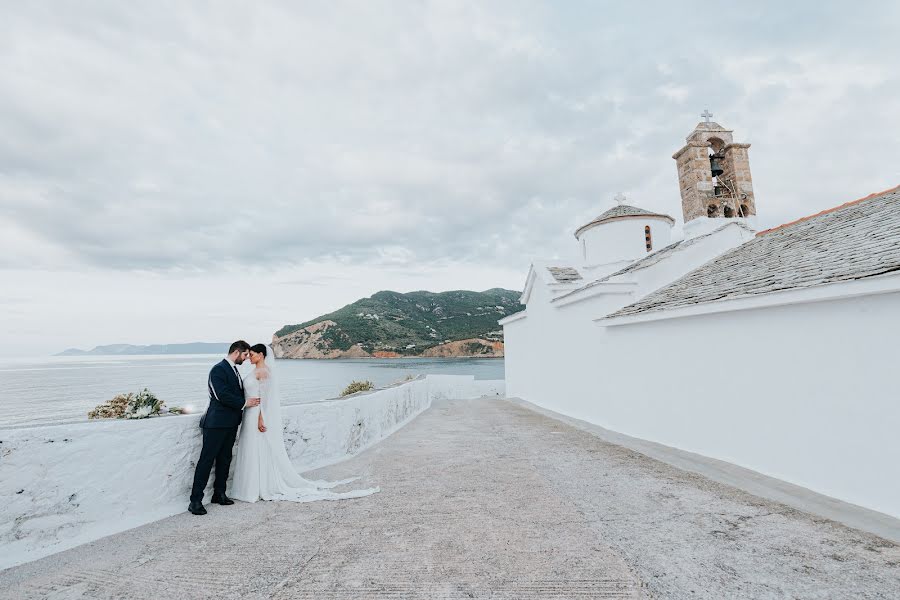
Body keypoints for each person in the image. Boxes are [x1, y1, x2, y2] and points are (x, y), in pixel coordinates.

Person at [229, 343, 378, 502]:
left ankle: (257, 487)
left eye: (252, 354)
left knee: (256, 447)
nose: (250, 357)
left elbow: (265, 400)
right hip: (249, 413)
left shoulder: (263, 372)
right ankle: (250, 486)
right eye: (249, 354)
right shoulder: (255, 370)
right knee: (250, 448)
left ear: (261, 355)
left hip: (256, 415)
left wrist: (260, 419)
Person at [188, 340, 259, 515]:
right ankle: (195, 501)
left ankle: (219, 494)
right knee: (206, 460)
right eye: (244, 355)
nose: (245, 358)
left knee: (225, 459)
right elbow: (221, 395)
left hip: (230, 423)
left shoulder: (234, 370)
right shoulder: (218, 369)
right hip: (215, 423)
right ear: (236, 352)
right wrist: (245, 403)